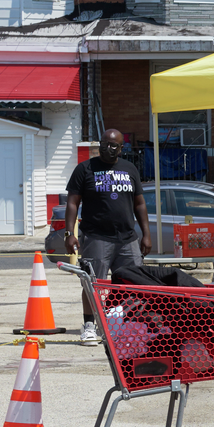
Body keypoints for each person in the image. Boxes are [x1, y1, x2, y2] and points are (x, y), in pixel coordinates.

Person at [66, 129, 152, 344]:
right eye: (106, 143)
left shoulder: (130, 168)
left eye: (115, 145)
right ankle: (89, 325)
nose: (109, 147)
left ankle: (125, 326)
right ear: (100, 144)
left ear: (122, 148)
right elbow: (72, 202)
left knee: (134, 284)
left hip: (128, 239)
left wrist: (146, 234)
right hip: (96, 237)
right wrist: (70, 233)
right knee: (92, 283)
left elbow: (139, 203)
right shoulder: (85, 169)